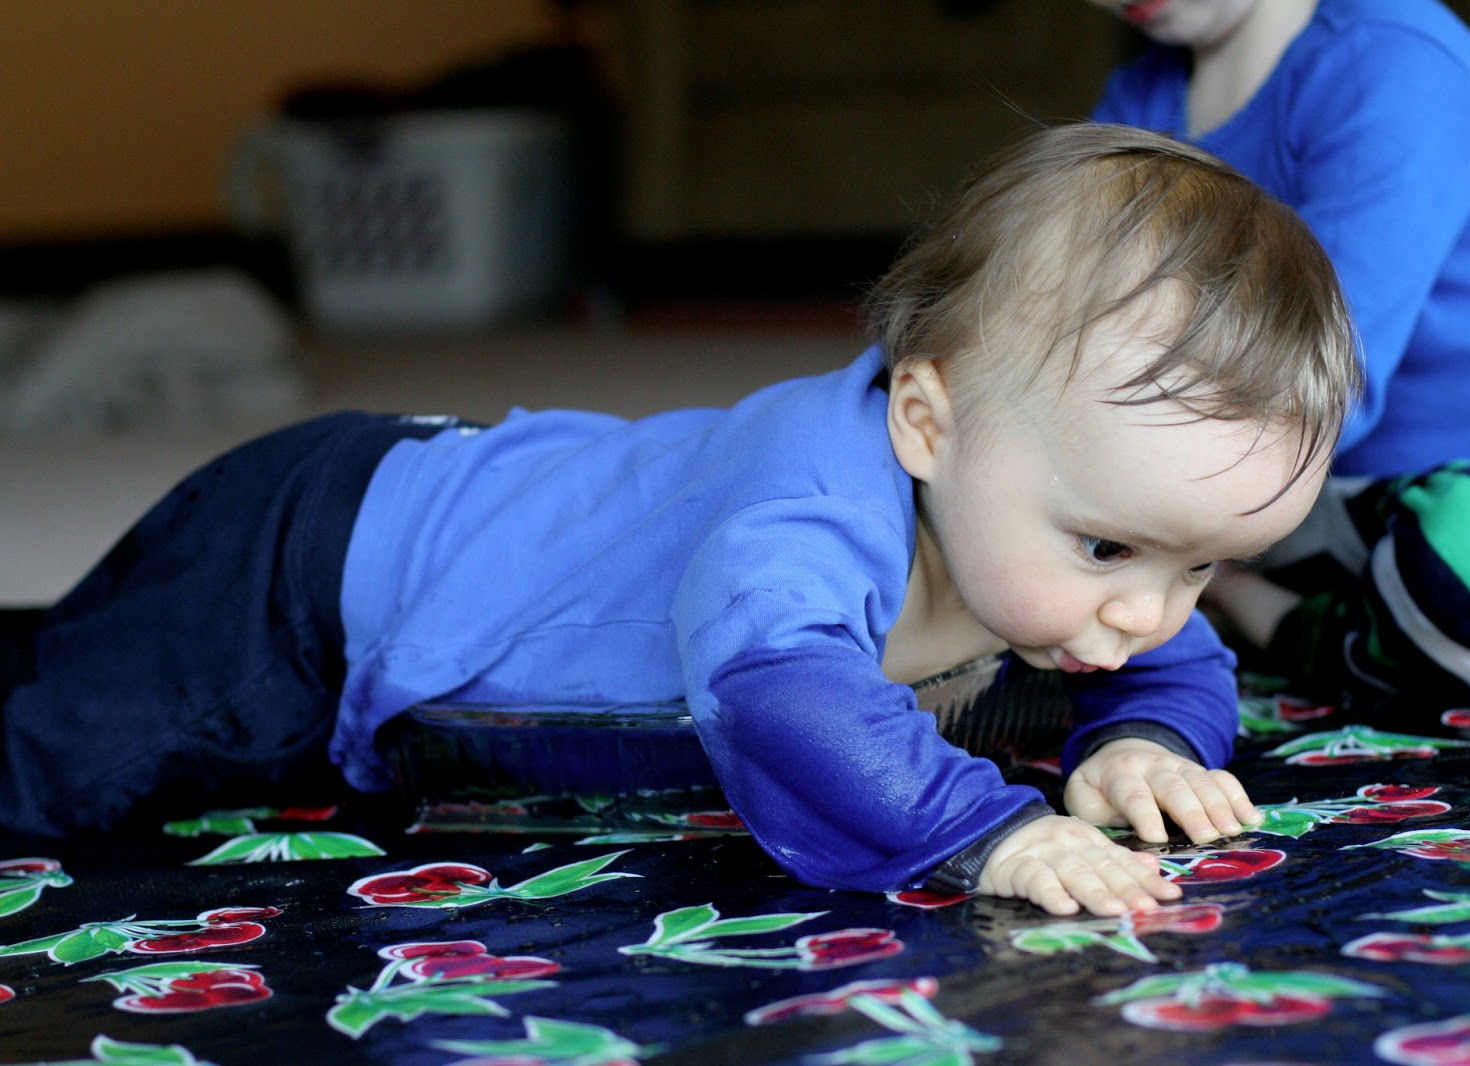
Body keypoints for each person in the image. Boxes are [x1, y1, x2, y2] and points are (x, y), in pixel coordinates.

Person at [0, 123, 1358, 917]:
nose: (1151, 610)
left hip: (373, 585)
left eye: (1204, 566)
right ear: (927, 422)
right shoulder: (808, 502)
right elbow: (783, 695)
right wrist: (990, 828)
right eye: (1109, 549)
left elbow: (1155, 646)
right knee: (63, 765)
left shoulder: (1041, 521)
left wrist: (1145, 734)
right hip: (309, 565)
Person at [1088, 0, 1470, 701]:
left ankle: (1270, 617)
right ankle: (1348, 623)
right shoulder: (1137, 102)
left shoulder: (1398, 61)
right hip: (1325, 507)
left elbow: (1326, 381)